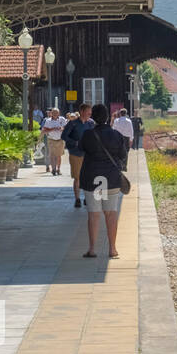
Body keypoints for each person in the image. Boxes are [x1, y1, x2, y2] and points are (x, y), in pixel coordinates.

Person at [79, 104, 129, 259]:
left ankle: (92, 249)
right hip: (112, 179)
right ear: (108, 118)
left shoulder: (88, 134)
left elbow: (81, 149)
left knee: (94, 215)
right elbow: (123, 155)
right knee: (111, 213)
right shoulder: (116, 135)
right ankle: (113, 249)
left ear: (93, 117)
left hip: (92, 178)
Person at [63, 103, 95, 209]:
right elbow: (64, 136)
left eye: (90, 112)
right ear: (82, 111)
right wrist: (74, 143)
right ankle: (77, 199)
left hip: (89, 154)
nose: (90, 114)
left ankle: (87, 197)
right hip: (76, 154)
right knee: (77, 177)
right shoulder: (73, 124)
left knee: (88, 177)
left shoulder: (91, 123)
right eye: (88, 112)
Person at [41, 107, 67, 176]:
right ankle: (53, 169)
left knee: (58, 156)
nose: (55, 114)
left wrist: (62, 129)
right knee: (52, 156)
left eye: (56, 112)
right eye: (54, 112)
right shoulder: (48, 121)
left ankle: (58, 169)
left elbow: (67, 128)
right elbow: (44, 130)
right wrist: (52, 129)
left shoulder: (62, 119)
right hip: (51, 140)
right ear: (51, 113)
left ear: (59, 113)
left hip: (60, 140)